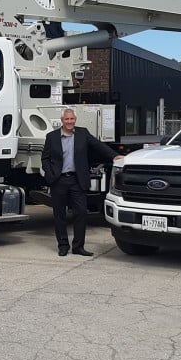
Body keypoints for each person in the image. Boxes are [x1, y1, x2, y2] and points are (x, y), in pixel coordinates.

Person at [41, 108, 119, 257]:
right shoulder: (52, 137)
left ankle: (78, 246)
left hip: (77, 180)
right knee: (59, 215)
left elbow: (98, 145)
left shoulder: (83, 133)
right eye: (67, 119)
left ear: (75, 120)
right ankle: (63, 245)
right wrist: (50, 175)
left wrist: (114, 156)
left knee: (81, 213)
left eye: (72, 119)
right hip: (59, 180)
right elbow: (45, 158)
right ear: (62, 120)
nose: (69, 122)